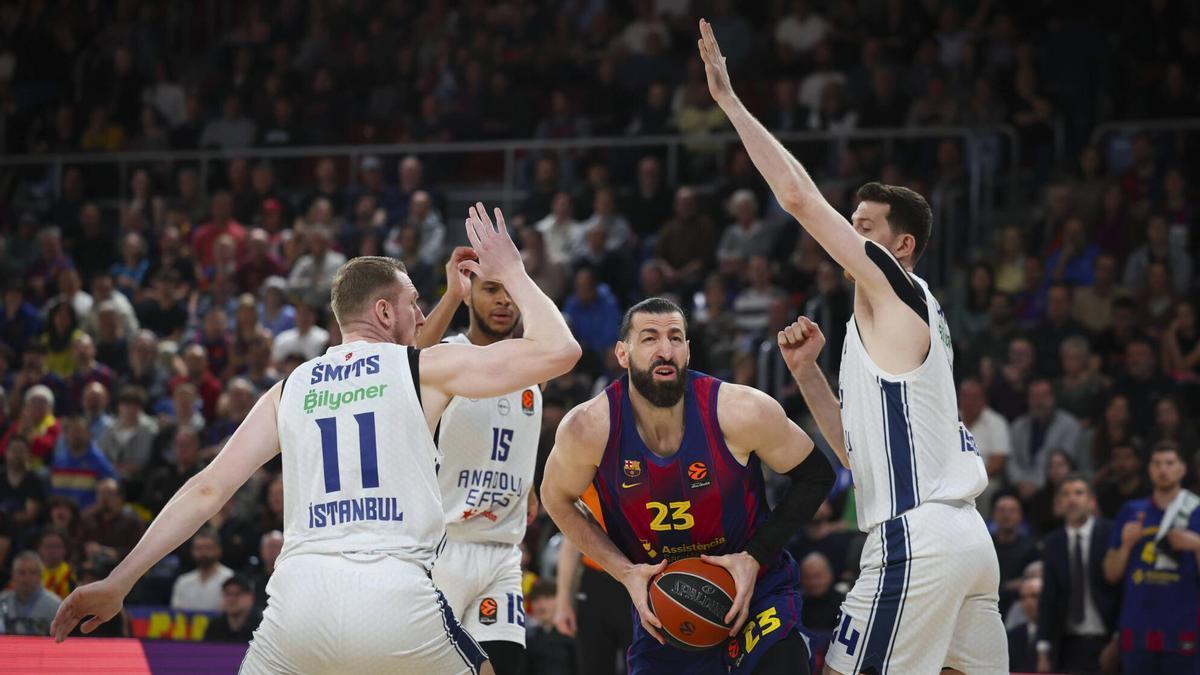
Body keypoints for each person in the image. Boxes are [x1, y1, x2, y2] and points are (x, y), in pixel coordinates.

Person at [52, 203, 579, 675]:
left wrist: (119, 581)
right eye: (414, 303)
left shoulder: (290, 388)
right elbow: (560, 351)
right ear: (383, 312)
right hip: (394, 597)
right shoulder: (423, 370)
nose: (422, 316)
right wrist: (511, 269)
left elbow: (207, 489)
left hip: (296, 603)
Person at [695, 20, 1006, 673]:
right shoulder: (896, 331)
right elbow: (860, 459)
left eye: (864, 227)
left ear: (900, 247)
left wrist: (728, 100)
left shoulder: (896, 290)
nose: (851, 235)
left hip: (916, 540)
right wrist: (808, 377)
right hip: (967, 541)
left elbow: (797, 197)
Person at [542, 297, 833, 674]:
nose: (665, 350)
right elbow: (556, 499)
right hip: (667, 611)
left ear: (688, 350)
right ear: (622, 354)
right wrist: (624, 571)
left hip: (756, 592)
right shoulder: (588, 428)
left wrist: (754, 556)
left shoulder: (740, 411)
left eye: (675, 338)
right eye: (649, 339)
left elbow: (816, 475)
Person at [415, 247, 544, 675]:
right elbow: (403, 365)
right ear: (471, 293)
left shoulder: (531, 362)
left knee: (505, 667)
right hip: (445, 548)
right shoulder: (449, 355)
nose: (504, 301)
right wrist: (452, 294)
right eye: (492, 290)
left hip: (503, 550)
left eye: (511, 292)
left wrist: (532, 484)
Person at [1103, 442, 1200, 674]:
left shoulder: (1196, 511)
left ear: (1182, 469)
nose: (1163, 470)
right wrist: (1126, 546)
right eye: (1157, 463)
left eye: (1169, 463)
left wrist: (1197, 546)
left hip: (1184, 626)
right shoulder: (1130, 510)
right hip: (1138, 627)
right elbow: (1111, 574)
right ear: (1149, 469)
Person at [1036, 475, 1119, 673]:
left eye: (1079, 493)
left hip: (1108, 640)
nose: (1072, 499)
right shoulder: (1052, 543)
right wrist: (1042, 649)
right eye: (1066, 494)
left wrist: (1118, 640)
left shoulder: (1110, 533)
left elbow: (1122, 592)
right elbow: (1048, 597)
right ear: (1058, 503)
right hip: (1067, 645)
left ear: (1092, 501)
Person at [170, 528, 234, 612]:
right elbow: (175, 614)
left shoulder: (229, 578)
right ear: (192, 551)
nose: (203, 553)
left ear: (218, 550)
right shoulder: (183, 581)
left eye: (208, 548)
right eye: (199, 548)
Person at [0, 551, 62, 635]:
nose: (27, 578)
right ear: (13, 575)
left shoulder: (55, 605)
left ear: (40, 575)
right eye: (21, 572)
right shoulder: (2, 601)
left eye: (33, 572)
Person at [204, 574, 263, 643]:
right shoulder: (215, 625)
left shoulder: (261, 625)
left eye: (237, 594)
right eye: (227, 594)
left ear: (251, 598)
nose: (231, 599)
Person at [1007, 577, 1041, 673]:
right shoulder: (1011, 637)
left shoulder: (1063, 637)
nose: (1028, 603)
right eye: (1023, 598)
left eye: (1035, 596)